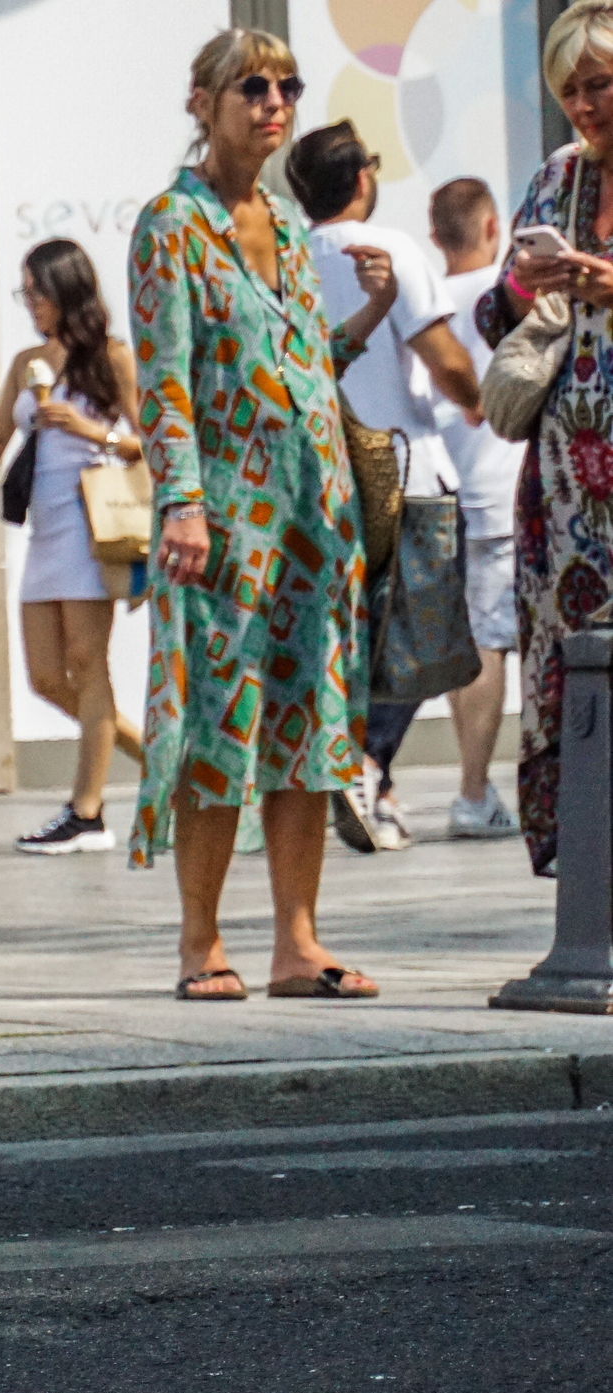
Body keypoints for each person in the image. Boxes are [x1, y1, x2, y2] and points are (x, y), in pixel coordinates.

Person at [134, 26, 400, 1001]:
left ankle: (297, 940)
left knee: (310, 725)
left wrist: (363, 323)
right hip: (223, 523)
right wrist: (183, 502)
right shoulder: (170, 223)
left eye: (285, 85)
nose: (271, 101)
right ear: (201, 102)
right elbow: (162, 381)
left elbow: (292, 365)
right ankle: (198, 940)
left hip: (310, 517)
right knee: (216, 722)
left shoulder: (287, 229)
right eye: (250, 85)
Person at [286, 120, 487, 853]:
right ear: (364, 178)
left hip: (323, 478)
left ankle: (367, 778)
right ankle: (367, 762)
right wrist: (481, 396)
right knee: (423, 640)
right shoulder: (391, 250)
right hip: (410, 470)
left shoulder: (288, 258)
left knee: (353, 638)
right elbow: (444, 357)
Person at [476, 0, 613, 878]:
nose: (585, 105)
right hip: (565, 498)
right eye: (570, 91)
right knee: (578, 690)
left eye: (599, 82)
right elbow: (495, 314)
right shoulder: (558, 175)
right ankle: (591, 891)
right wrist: (531, 283)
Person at [0, 239, 146, 854]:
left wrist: (91, 429)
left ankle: (86, 811)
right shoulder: (25, 362)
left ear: (66, 290)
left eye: (35, 291)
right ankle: (154, 756)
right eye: (25, 292)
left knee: (89, 663)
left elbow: (154, 442)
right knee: (45, 675)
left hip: (95, 524)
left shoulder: (111, 358)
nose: (30, 304)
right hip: (46, 531)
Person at [429, 176, 523, 841]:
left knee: (467, 641)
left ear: (437, 235)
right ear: (492, 227)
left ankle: (475, 786)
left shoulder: (428, 298)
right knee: (490, 641)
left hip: (441, 486)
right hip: (498, 486)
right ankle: (470, 788)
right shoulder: (506, 297)